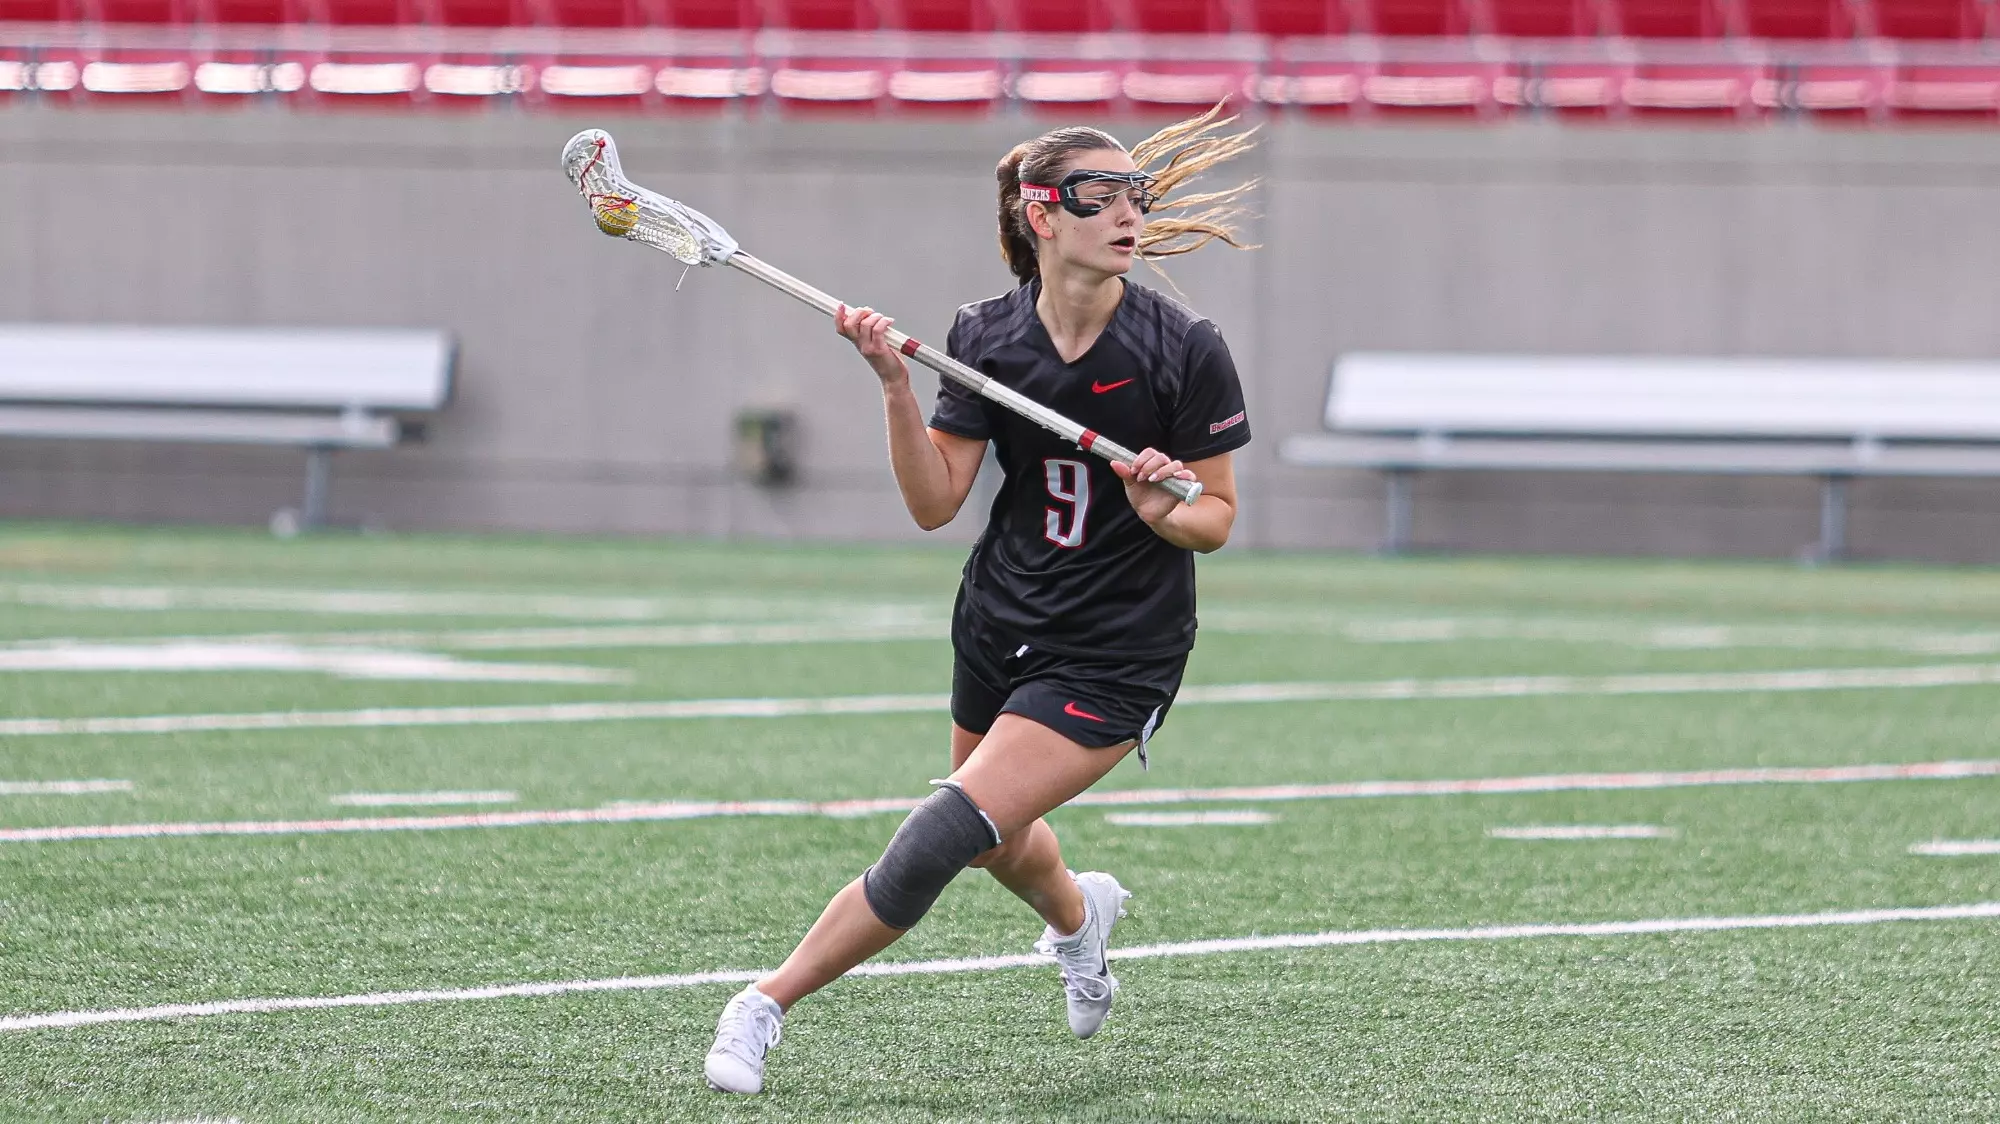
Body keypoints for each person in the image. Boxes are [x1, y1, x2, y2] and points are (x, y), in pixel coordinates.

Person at [704, 103, 1260, 1096]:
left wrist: (1156, 506)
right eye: (1102, 197)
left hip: (1115, 644)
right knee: (994, 836)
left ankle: (765, 1000)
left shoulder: (1183, 346)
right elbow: (932, 503)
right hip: (999, 617)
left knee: (947, 827)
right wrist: (889, 386)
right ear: (1041, 215)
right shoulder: (984, 336)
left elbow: (1214, 515)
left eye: (1137, 193)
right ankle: (1077, 918)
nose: (1129, 212)